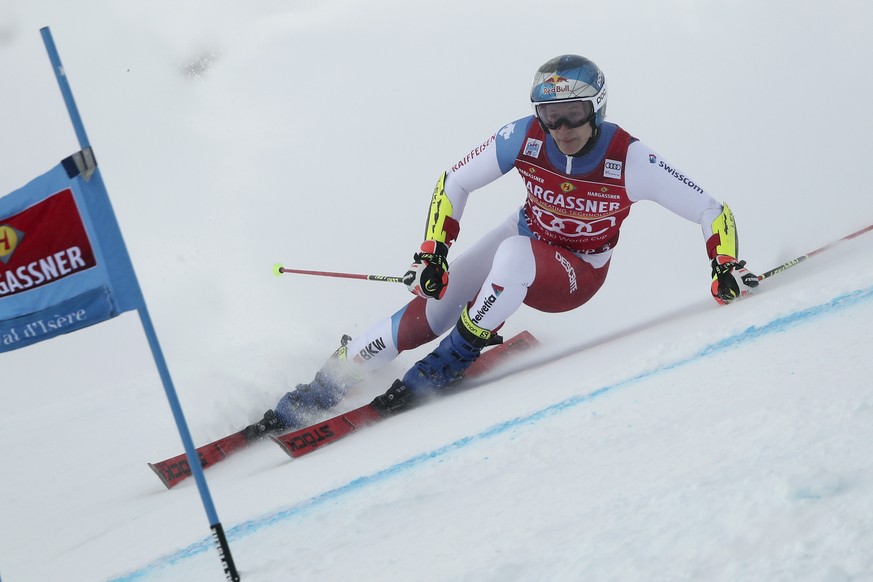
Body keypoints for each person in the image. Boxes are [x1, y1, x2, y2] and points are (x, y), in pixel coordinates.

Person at [243, 54, 759, 440]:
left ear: (597, 108)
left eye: (574, 114)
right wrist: (433, 254)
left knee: (513, 253)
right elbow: (454, 183)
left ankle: (452, 359)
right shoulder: (522, 137)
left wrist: (725, 267)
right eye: (550, 116)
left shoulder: (630, 158)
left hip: (576, 274)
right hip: (526, 239)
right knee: (430, 308)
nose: (561, 129)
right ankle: (326, 385)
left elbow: (712, 210)